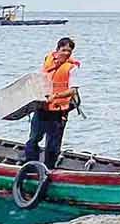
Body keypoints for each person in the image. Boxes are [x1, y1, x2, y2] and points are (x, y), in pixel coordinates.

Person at [23, 37, 79, 170]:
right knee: (34, 138)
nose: (66, 53)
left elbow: (72, 91)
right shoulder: (48, 60)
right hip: (42, 107)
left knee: (53, 144)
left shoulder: (72, 68)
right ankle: (30, 166)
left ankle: (49, 170)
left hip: (59, 110)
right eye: (63, 50)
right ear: (57, 49)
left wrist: (56, 96)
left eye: (69, 51)